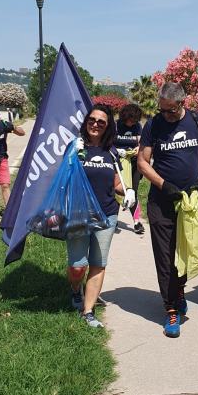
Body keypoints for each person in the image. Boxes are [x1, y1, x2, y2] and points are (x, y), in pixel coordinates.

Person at [138, 82, 198, 338]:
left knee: (187, 249)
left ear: (182, 103)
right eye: (161, 110)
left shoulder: (197, 120)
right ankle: (171, 308)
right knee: (165, 256)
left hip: (190, 199)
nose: (165, 115)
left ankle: (178, 290)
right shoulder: (154, 124)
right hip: (162, 201)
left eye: (169, 111)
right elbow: (142, 162)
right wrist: (163, 184)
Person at [67, 103, 134, 329]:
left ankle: (88, 311)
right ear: (86, 123)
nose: (95, 124)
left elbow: (116, 183)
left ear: (108, 126)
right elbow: (61, 178)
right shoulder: (75, 148)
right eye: (92, 120)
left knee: (98, 263)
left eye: (101, 122)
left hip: (106, 214)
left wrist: (128, 191)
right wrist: (71, 156)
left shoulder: (112, 152)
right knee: (77, 265)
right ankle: (76, 289)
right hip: (78, 213)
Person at [114, 103, 144, 234]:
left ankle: (137, 222)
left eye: (134, 121)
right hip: (117, 162)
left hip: (133, 163)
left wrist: (139, 149)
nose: (132, 124)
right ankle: (113, 220)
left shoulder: (138, 127)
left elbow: (141, 142)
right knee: (117, 191)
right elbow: (107, 142)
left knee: (133, 192)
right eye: (130, 121)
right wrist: (117, 150)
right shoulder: (115, 125)